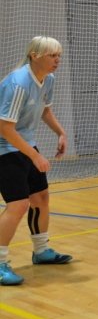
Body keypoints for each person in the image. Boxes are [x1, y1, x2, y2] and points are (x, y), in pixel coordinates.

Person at [0, 36, 73, 286]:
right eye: (52, 55)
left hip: (24, 143)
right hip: (4, 148)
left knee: (40, 198)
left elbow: (45, 110)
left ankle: (41, 251)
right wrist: (34, 155)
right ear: (34, 55)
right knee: (18, 204)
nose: (57, 60)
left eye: (59, 55)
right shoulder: (18, 83)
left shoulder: (48, 79)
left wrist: (61, 132)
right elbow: (5, 128)